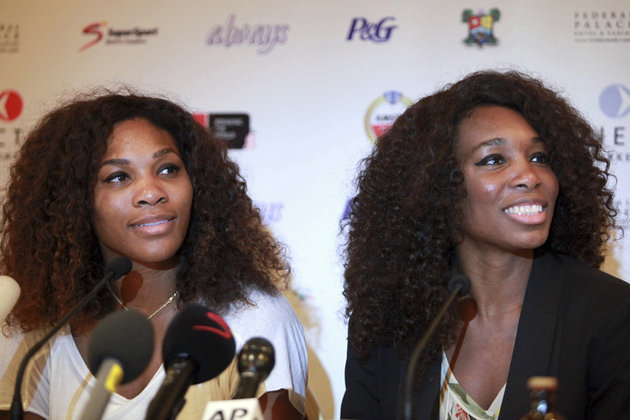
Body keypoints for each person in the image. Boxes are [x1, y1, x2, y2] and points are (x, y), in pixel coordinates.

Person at [340, 70, 630, 419]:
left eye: (539, 157)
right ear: (438, 188)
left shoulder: (610, 314)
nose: (529, 175)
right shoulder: (388, 322)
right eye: (494, 160)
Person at [0, 91, 308, 419]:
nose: (151, 193)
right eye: (118, 177)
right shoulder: (43, 327)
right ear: (72, 202)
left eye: (167, 169)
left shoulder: (252, 317)